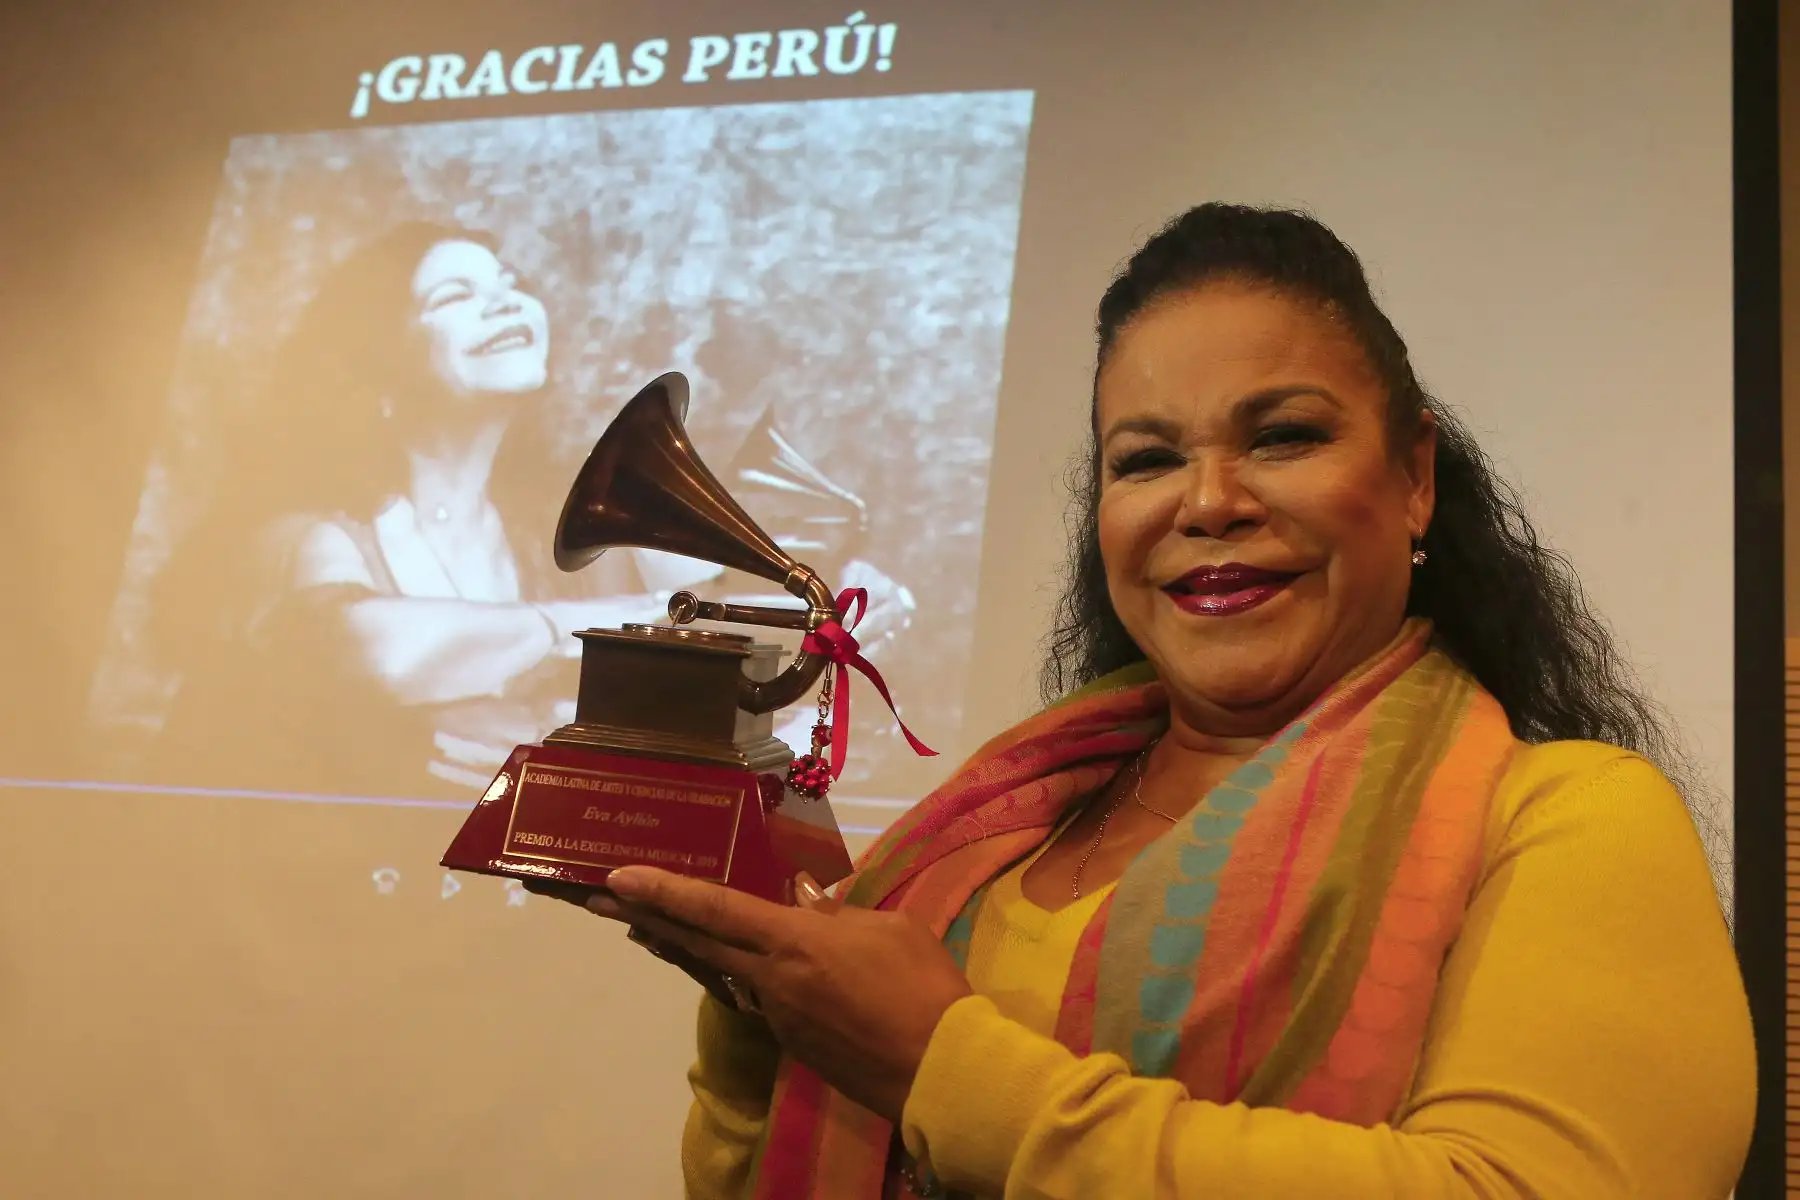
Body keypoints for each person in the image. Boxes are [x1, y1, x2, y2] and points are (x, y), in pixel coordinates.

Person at [576, 203, 1755, 1198]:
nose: (1209, 502)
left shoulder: (1568, 817)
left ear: (1415, 478)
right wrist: (766, 1021)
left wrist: (939, 1063)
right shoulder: (994, 830)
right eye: (1146, 460)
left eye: (1282, 437)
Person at [143, 220, 911, 798]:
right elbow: (381, 654)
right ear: (378, 366)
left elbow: (738, 627)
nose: (506, 299)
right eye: (455, 295)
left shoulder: (579, 526)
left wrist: (839, 607)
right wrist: (653, 622)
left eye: (510, 282)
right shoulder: (302, 530)